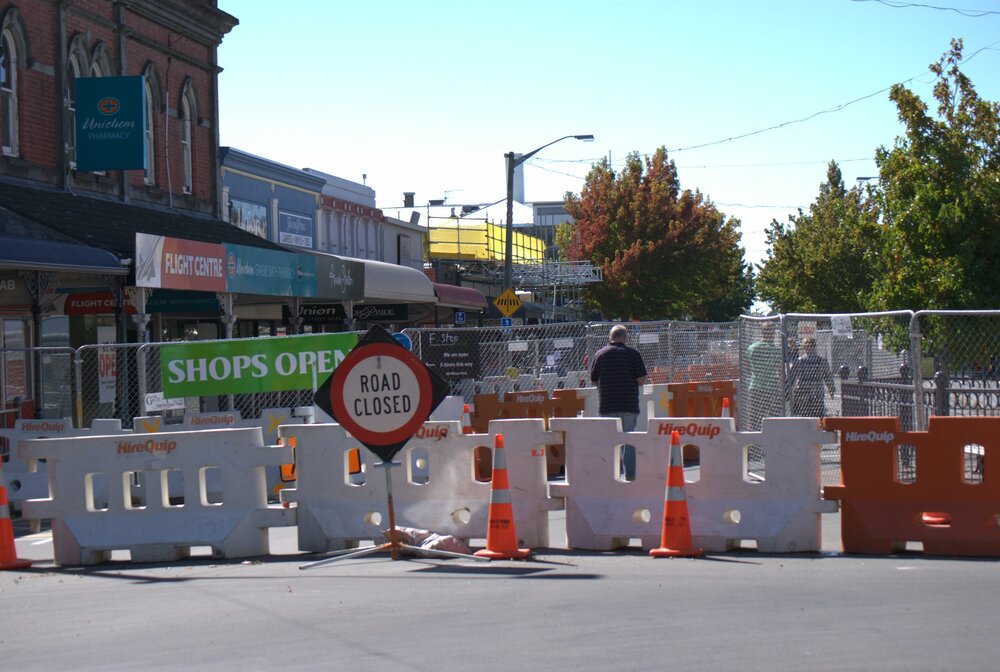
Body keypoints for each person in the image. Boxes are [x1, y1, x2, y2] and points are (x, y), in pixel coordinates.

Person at [590, 324, 648, 480]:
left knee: (609, 442)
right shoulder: (633, 355)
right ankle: (630, 477)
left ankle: (610, 477)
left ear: (610, 337)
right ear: (625, 338)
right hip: (628, 404)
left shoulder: (599, 355)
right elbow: (642, 380)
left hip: (607, 405)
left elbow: (594, 381)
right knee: (628, 440)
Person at [745, 322, 783, 430]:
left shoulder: (752, 348)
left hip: (756, 386)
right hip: (772, 387)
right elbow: (780, 371)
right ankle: (772, 441)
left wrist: (757, 372)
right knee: (773, 418)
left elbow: (747, 367)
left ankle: (754, 443)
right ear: (773, 333)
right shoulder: (777, 351)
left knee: (755, 418)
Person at [786, 337, 835, 417]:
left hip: (803, 390)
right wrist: (831, 388)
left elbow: (791, 376)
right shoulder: (821, 361)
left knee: (803, 414)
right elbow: (828, 376)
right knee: (818, 415)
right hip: (816, 390)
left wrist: (788, 390)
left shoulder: (799, 361)